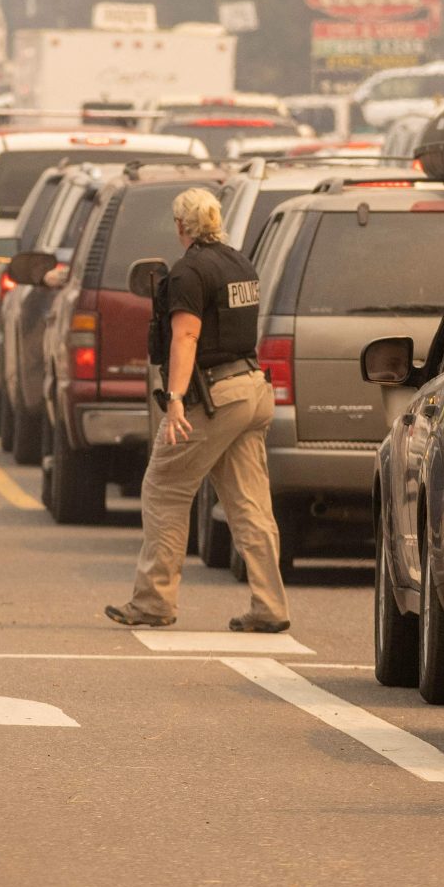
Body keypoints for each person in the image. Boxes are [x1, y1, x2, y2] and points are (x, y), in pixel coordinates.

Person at [104, 188, 292, 633]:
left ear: (181, 226)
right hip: (251, 389)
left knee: (164, 488)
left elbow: (185, 338)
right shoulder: (239, 262)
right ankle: (270, 606)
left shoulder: (188, 272)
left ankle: (153, 602)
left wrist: (173, 401)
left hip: (215, 396)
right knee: (249, 505)